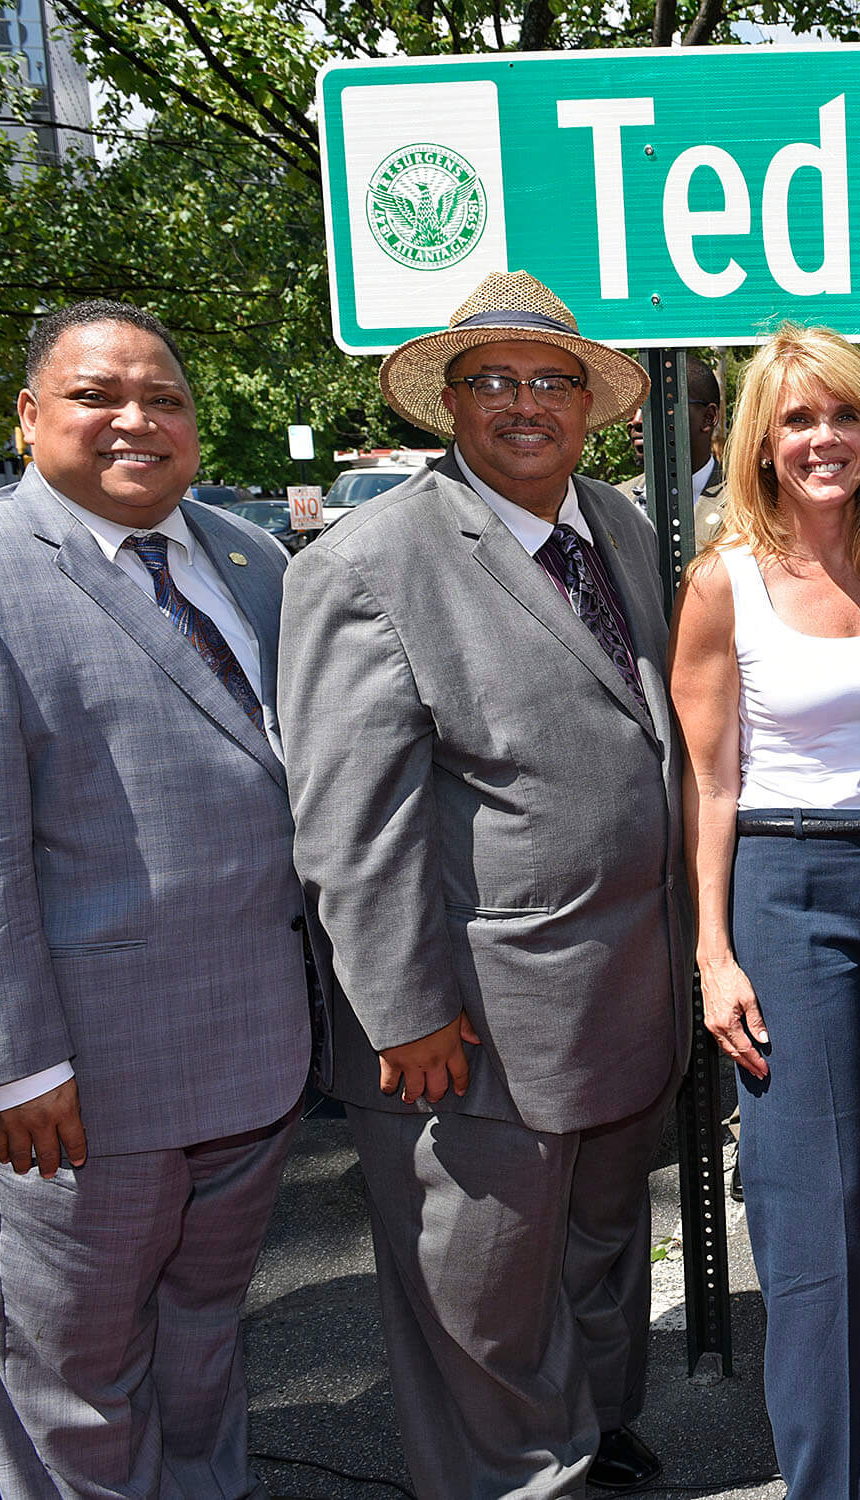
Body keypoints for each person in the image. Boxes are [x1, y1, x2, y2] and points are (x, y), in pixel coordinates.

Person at [280, 271, 689, 1497]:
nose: (525, 405)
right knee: (483, 1287)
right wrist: (403, 1014)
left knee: (603, 1253)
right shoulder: (366, 563)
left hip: (622, 998)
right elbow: (350, 822)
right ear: (447, 405)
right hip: (473, 1025)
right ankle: (522, 1476)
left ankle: (594, 1432)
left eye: (551, 380)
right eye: (492, 381)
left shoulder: (614, 524)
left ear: (592, 405)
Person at [0, 300, 316, 1498]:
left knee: (206, 1350)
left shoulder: (247, 556)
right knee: (72, 1387)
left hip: (247, 1060)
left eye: (164, 398)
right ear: (29, 416)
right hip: (72, 1092)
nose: (136, 421)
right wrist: (8, 1066)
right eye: (99, 396)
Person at [671, 324, 860, 1500]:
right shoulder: (721, 579)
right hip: (787, 892)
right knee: (811, 1211)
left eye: (842, 415)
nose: (823, 438)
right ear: (763, 444)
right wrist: (713, 955)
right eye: (797, 420)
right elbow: (711, 782)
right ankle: (828, 1482)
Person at [620, 357, 728, 543]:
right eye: (633, 407)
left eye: (656, 405)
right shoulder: (613, 503)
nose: (636, 421)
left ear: (708, 418)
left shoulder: (747, 507)